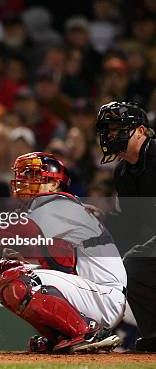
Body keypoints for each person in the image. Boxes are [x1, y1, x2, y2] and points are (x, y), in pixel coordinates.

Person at [0, 152, 126, 353]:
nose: (25, 181)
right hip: (89, 292)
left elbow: (13, 231)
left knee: (20, 278)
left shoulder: (59, 203)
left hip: (105, 296)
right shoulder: (48, 209)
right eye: (24, 175)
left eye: (33, 176)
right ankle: (60, 335)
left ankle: (87, 332)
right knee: (2, 271)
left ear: (53, 184)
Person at [96, 101, 156, 351]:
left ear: (141, 131)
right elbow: (136, 225)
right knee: (131, 267)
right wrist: (103, 218)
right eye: (108, 130)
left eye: (119, 129)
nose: (111, 136)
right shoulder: (122, 172)